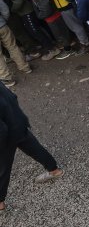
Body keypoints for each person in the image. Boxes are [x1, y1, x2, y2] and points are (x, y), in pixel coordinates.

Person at [0, 83, 65, 212]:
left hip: (7, 135)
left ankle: (0, 203)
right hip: (18, 121)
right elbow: (12, 96)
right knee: (34, 148)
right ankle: (54, 170)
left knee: (3, 168)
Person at [0, 0, 32, 87]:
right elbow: (5, 9)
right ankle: (25, 67)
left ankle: (7, 78)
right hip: (3, 26)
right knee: (12, 46)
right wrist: (3, 21)